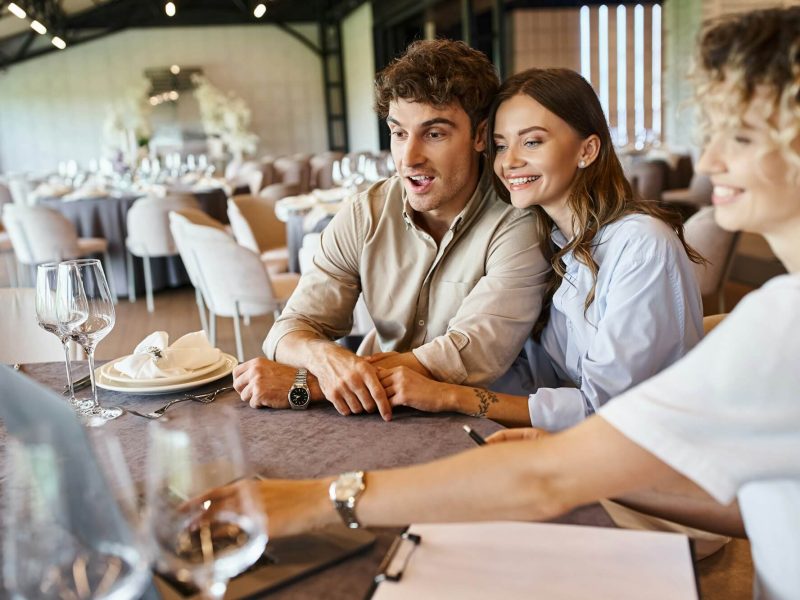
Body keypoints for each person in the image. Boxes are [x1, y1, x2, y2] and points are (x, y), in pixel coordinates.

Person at [209, 7, 800, 599]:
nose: (710, 160)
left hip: (610, 482)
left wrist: (321, 491)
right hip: (596, 461)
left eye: (741, 136)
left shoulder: (609, 246)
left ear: (588, 148)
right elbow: (761, 502)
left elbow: (531, 404)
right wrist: (543, 446)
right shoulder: (566, 239)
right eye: (503, 144)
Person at [233, 40, 549, 421]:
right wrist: (325, 358)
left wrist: (308, 384)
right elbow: (289, 329)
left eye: (434, 134)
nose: (409, 157)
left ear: (480, 136)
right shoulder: (365, 212)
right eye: (399, 133)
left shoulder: (518, 222)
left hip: (479, 422)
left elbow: (469, 354)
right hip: (375, 415)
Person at [376, 68, 704, 429]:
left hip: (643, 454)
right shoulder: (554, 241)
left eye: (531, 142)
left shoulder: (641, 246)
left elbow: (604, 408)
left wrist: (452, 397)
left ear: (587, 150)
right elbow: (536, 371)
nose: (509, 161)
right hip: (579, 442)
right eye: (501, 145)